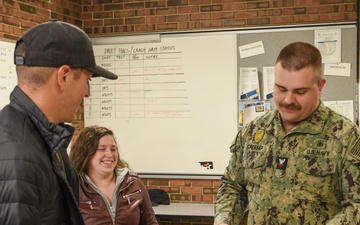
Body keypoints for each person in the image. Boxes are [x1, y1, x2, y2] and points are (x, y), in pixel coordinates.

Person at [214, 42, 360, 225]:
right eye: (281, 89)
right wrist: (224, 221)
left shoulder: (346, 136)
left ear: (320, 86)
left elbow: (356, 205)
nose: (288, 100)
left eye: (300, 91)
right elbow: (233, 187)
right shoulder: (254, 131)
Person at [0, 20, 118, 225]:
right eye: (87, 79)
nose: (87, 93)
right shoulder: (19, 154)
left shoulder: (45, 138)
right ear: (63, 76)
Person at [69, 125, 159, 225]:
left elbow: (150, 221)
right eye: (102, 149)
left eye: (113, 149)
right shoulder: (75, 187)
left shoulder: (133, 183)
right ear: (86, 154)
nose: (110, 154)